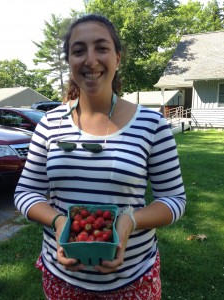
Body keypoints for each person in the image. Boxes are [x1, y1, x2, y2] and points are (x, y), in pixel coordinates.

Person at [14, 14, 186, 300]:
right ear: (69, 61)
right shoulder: (49, 124)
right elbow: (26, 192)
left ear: (118, 58)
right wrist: (59, 222)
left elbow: (174, 200)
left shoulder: (152, 124)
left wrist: (130, 220)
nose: (90, 60)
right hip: (62, 280)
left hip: (134, 280)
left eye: (101, 48)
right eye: (79, 50)